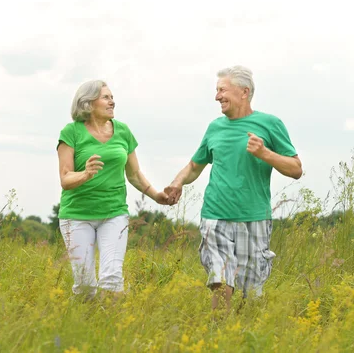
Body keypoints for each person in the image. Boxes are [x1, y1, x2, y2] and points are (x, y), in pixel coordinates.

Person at [165, 66, 302, 311]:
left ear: (244, 92)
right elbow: (194, 166)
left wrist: (265, 153)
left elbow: (295, 169)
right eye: (217, 91)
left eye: (222, 90)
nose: (217, 96)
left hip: (254, 216)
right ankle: (218, 328)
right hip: (215, 214)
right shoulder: (215, 127)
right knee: (220, 277)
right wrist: (177, 182)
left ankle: (241, 330)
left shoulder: (270, 124)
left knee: (251, 290)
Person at [57, 80, 169, 299]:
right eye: (106, 97)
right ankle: (86, 329)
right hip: (76, 216)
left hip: (114, 213)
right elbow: (65, 178)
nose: (112, 101)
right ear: (88, 103)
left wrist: (157, 196)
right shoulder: (71, 132)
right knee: (85, 286)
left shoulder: (123, 131)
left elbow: (134, 174)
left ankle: (113, 329)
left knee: (112, 278)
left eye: (112, 97)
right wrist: (86, 174)